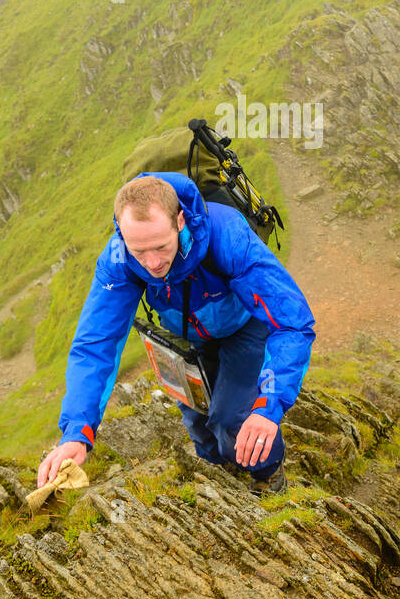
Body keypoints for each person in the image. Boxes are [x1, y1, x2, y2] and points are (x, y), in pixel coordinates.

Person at [37, 171, 315, 496]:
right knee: (199, 425)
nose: (152, 263)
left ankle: (268, 474)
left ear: (180, 220)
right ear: (121, 234)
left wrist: (269, 406)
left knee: (233, 420)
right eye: (139, 251)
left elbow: (293, 321)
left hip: (244, 327)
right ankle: (223, 469)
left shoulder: (226, 234)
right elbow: (95, 345)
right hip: (187, 336)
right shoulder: (119, 259)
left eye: (160, 246)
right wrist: (76, 433)